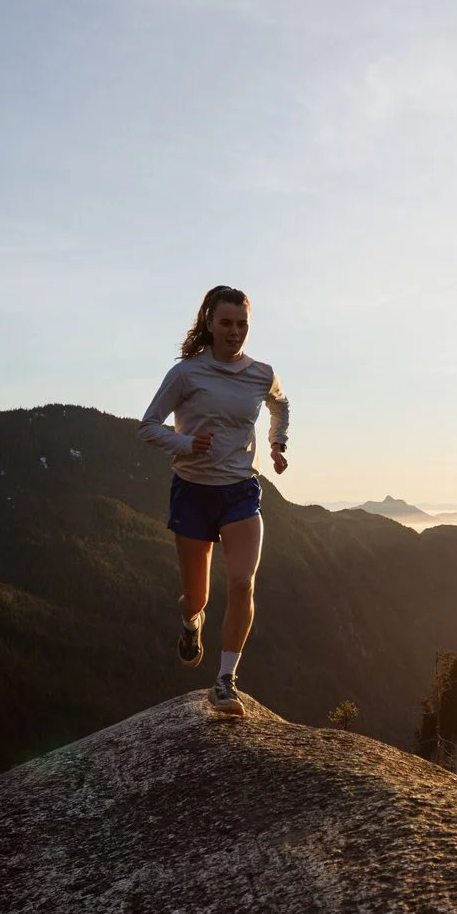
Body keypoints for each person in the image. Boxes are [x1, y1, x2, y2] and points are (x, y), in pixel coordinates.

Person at [137, 284, 289, 717]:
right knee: (196, 598)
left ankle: (225, 681)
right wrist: (185, 443)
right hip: (193, 493)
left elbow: (281, 404)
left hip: (241, 490)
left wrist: (278, 444)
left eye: (242, 324)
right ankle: (191, 624)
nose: (235, 331)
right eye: (226, 323)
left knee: (243, 583)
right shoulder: (186, 374)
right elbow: (147, 426)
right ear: (209, 323)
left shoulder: (261, 373)